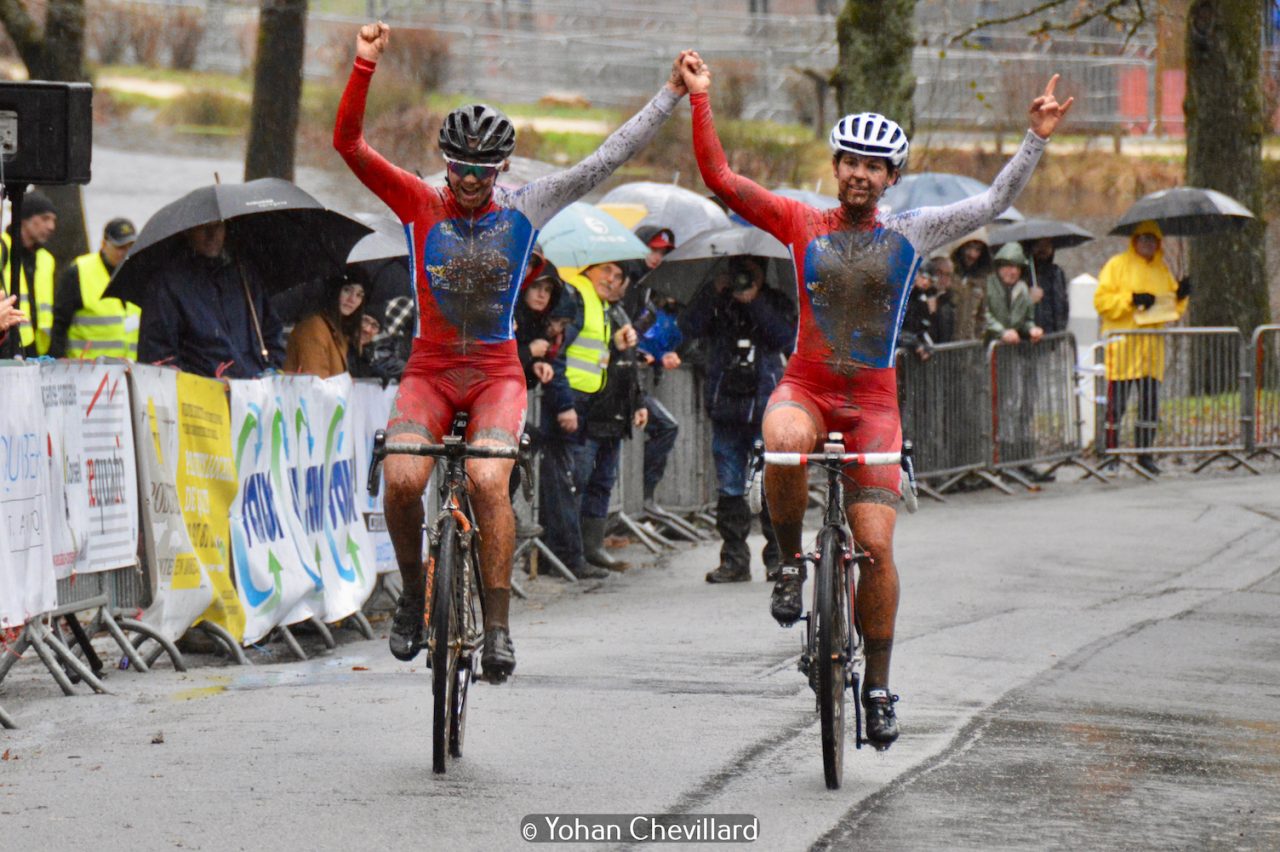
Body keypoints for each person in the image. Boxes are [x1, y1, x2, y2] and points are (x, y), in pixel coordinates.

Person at [683, 52, 1072, 747]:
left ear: (890, 178)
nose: (859, 174)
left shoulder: (910, 233)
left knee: (875, 548)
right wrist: (701, 100)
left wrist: (1034, 139)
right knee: (782, 440)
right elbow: (720, 178)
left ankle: (880, 685)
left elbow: (991, 205)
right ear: (836, 167)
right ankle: (788, 564)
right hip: (806, 387)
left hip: (873, 403)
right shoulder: (803, 224)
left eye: (874, 165)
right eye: (849, 161)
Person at [333, 21, 693, 678]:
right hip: (430, 369)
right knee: (403, 478)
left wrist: (668, 95)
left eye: (483, 170)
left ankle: (497, 626)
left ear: (502, 169)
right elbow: (349, 144)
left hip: (496, 371)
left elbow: (604, 160)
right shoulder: (417, 200)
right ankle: (414, 597)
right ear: (445, 163)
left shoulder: (528, 206)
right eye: (460, 168)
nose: (470, 181)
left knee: (487, 479)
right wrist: (363, 65)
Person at [679, 255, 793, 583]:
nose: (742, 275)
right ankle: (734, 559)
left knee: (770, 484)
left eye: (749, 269)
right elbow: (688, 328)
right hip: (726, 405)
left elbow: (784, 337)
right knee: (729, 484)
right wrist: (714, 292)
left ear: (762, 270)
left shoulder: (774, 300)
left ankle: (777, 558)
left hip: (764, 407)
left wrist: (755, 301)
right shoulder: (718, 300)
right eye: (737, 268)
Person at [561, 260, 647, 575]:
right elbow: (566, 350)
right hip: (586, 406)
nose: (612, 280)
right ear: (587, 269)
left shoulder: (614, 311)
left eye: (618, 275)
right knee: (578, 480)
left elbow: (626, 364)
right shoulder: (579, 300)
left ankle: (591, 547)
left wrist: (638, 401)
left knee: (602, 482)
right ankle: (573, 553)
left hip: (612, 410)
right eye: (606, 271)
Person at [1094, 220, 1189, 477]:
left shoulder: (1162, 270)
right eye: (1143, 238)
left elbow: (1171, 310)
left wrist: (1181, 295)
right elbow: (1102, 301)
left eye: (1152, 239)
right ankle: (1110, 455)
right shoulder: (1117, 265)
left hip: (1151, 352)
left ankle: (1145, 455)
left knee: (1149, 407)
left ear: (1158, 243)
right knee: (1116, 408)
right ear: (1134, 240)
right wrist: (1130, 300)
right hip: (1123, 351)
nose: (1147, 243)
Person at [137, 221, 285, 378]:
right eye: (203, 227)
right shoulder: (168, 284)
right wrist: (199, 385)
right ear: (188, 231)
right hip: (200, 395)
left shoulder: (245, 275)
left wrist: (271, 368)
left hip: (254, 393)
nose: (211, 234)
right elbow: (158, 354)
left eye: (218, 227)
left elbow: (271, 332)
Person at [622, 226, 682, 513]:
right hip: (615, 377)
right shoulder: (629, 277)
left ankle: (641, 498)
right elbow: (622, 334)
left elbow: (633, 334)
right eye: (653, 249)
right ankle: (635, 502)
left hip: (631, 375)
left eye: (663, 252)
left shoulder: (648, 284)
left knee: (666, 426)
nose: (657, 256)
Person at [49, 218, 140, 359]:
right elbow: (59, 324)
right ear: (104, 245)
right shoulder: (79, 272)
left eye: (131, 246)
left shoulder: (138, 273)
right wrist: (57, 362)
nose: (126, 252)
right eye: (120, 247)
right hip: (87, 371)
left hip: (129, 370)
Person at [1, 191, 58, 357]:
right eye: (45, 219)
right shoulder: (3, 246)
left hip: (37, 350)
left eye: (54, 220)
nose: (51, 227)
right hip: (7, 344)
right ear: (24, 218)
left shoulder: (47, 259)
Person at [284, 277, 365, 378]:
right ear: (334, 290)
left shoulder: (339, 332)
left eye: (359, 295)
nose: (352, 300)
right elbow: (317, 382)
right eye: (347, 290)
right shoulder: (313, 327)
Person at [948, 231, 992, 342]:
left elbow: (983, 315)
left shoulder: (982, 282)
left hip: (970, 344)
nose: (973, 255)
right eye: (969, 248)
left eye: (978, 250)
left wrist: (978, 339)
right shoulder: (948, 276)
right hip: (946, 341)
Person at [1027, 237, 1069, 335]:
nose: (1043, 249)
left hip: (1053, 333)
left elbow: (1062, 303)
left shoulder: (1057, 272)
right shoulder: (1026, 273)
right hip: (1032, 334)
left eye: (1047, 245)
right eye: (1039, 245)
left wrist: (1061, 327)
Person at [899, 265, 938, 361]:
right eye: (923, 278)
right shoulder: (902, 296)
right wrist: (914, 343)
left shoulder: (922, 298)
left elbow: (923, 328)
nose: (926, 283)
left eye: (930, 281)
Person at [925, 255, 956, 344]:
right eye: (939, 272)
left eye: (948, 275)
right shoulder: (919, 297)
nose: (943, 278)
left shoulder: (948, 303)